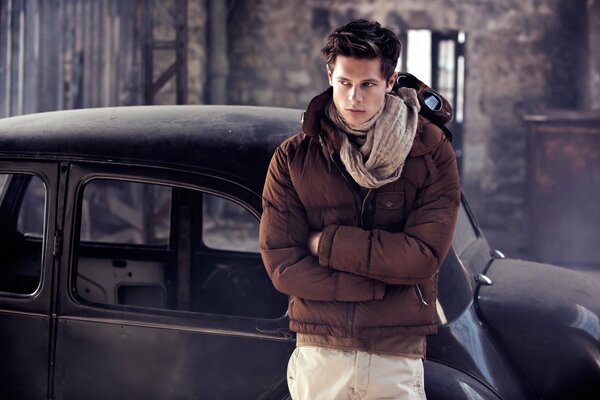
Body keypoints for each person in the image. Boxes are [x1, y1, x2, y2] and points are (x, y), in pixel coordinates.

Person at [259, 19, 460, 399]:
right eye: (344, 83)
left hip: (395, 354)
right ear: (329, 76)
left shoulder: (432, 152)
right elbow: (283, 265)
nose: (354, 97)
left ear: (390, 81)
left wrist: (324, 244)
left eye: (367, 84)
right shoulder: (293, 157)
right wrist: (379, 285)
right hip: (321, 352)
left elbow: (422, 258)